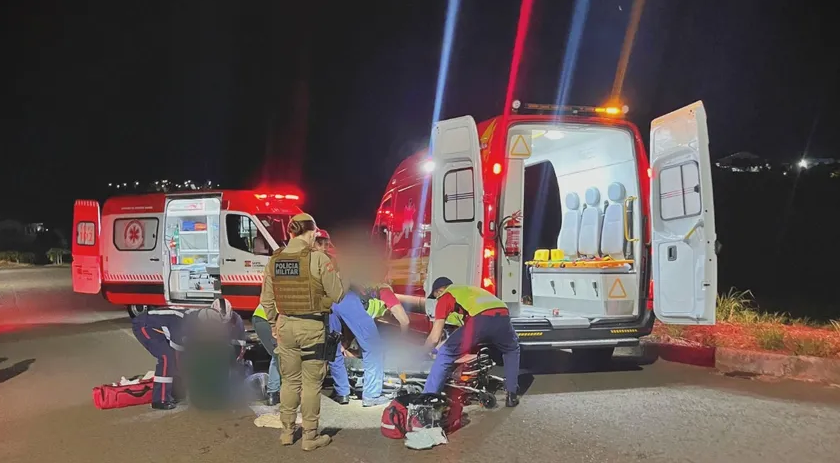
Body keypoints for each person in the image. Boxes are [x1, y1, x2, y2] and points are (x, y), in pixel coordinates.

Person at [259, 213, 344, 451]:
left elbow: (266, 300)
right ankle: (309, 436)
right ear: (312, 233)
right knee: (311, 384)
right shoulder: (318, 258)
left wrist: (273, 323)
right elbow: (337, 294)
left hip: (285, 325)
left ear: (291, 232)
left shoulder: (274, 260)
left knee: (289, 381)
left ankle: (287, 432)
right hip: (312, 327)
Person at [422, 277, 521, 407]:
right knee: (512, 349)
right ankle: (512, 395)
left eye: (435, 297)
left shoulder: (446, 296)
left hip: (481, 320)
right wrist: (437, 348)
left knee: (446, 354)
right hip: (503, 315)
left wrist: (424, 351)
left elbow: (434, 337)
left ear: (439, 291)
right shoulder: (468, 292)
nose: (436, 300)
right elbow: (455, 337)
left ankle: (428, 399)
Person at [131, 307, 191, 410]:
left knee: (176, 357)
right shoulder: (181, 323)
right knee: (167, 357)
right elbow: (178, 353)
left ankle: (175, 392)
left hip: (158, 326)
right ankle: (160, 400)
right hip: (144, 325)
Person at [251, 303, 281, 405]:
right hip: (267, 319)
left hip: (261, 317)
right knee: (279, 354)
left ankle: (274, 392)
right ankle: (274, 392)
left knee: (277, 354)